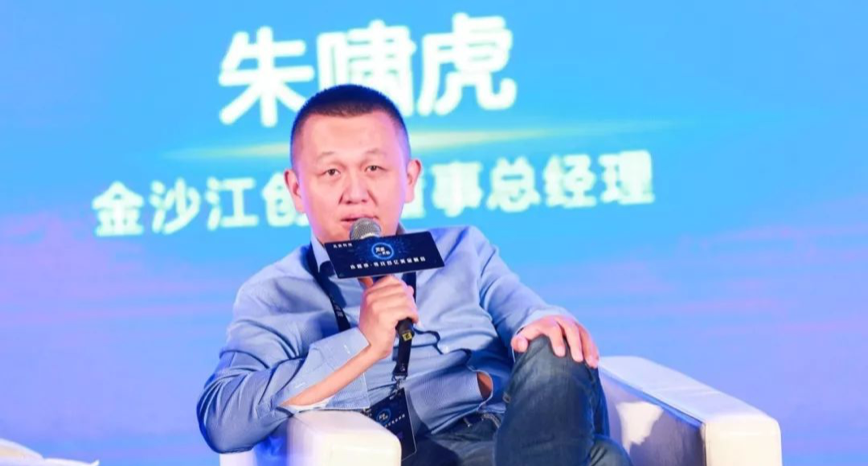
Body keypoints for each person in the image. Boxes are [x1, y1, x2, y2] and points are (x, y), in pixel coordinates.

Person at [197, 84, 632, 466]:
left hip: (517, 431)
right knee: (604, 460)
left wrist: (546, 322)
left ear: (409, 178)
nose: (356, 193)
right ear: (296, 189)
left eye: (374, 169)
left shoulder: (464, 249)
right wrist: (360, 346)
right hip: (423, 454)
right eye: (331, 172)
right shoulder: (275, 293)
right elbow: (222, 419)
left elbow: (528, 317)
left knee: (555, 345)